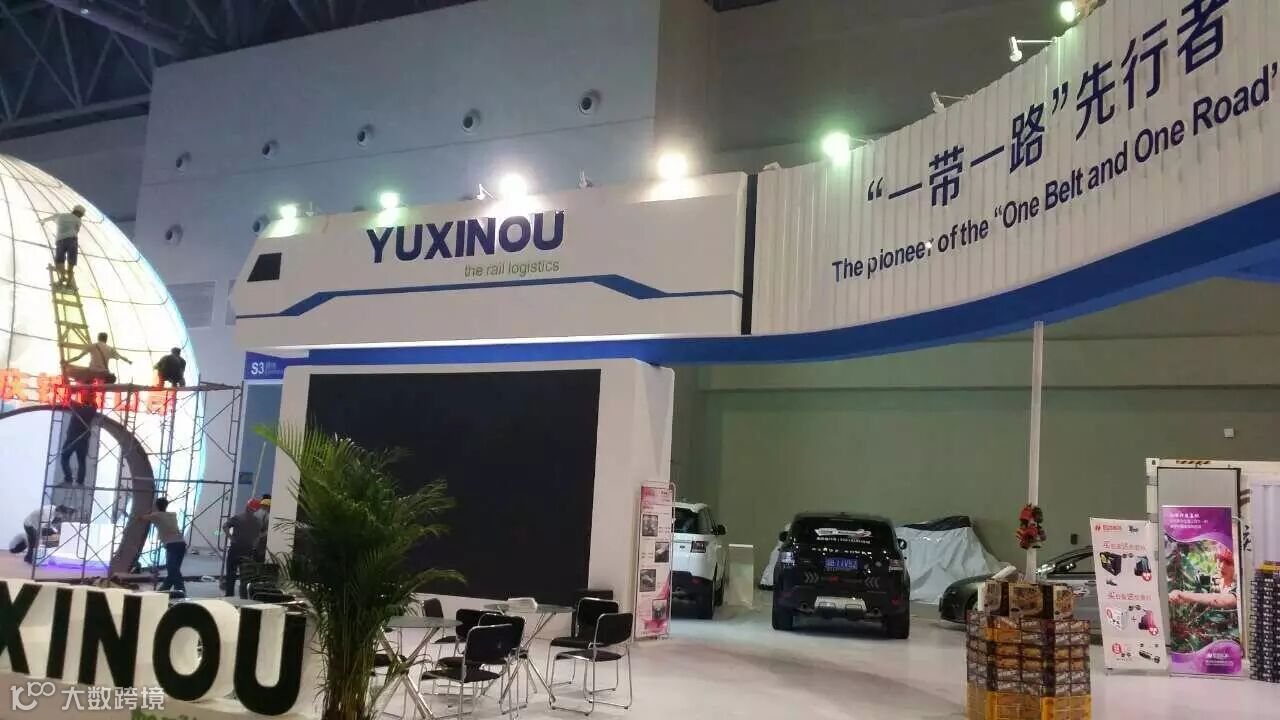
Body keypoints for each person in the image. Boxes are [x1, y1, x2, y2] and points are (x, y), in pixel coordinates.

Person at [144, 498, 186, 596]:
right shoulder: (173, 515)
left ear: (156, 506)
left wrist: (149, 510)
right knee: (173, 570)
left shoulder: (156, 515)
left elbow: (141, 518)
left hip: (172, 544)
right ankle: (163, 591)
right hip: (181, 543)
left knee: (172, 569)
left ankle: (180, 590)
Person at [223, 499, 264, 597]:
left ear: (247, 507)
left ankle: (229, 596)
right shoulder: (257, 522)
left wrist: (231, 538)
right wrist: (254, 544)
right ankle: (243, 598)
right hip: (247, 551)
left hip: (235, 549)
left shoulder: (238, 518)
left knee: (231, 575)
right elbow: (258, 535)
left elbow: (225, 526)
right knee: (245, 577)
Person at [59, 390, 97, 486]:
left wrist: (70, 389)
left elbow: (68, 399)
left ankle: (68, 479)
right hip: (83, 440)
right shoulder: (93, 409)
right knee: (81, 461)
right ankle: (80, 482)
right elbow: (94, 403)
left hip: (72, 438)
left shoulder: (78, 407)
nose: (82, 397)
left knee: (64, 457)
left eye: (84, 395)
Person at [41, 204, 85, 285]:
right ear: (80, 214)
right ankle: (69, 283)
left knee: (59, 261)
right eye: (81, 215)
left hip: (61, 240)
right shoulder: (78, 220)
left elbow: (49, 218)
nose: (81, 217)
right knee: (71, 263)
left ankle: (63, 277)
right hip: (73, 240)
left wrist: (42, 221)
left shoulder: (61, 216)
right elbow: (77, 230)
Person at [65, 332, 131, 383]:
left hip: (92, 372)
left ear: (98, 338)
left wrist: (67, 361)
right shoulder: (110, 349)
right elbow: (121, 357)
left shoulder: (92, 346)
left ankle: (86, 384)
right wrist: (128, 361)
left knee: (71, 371)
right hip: (104, 374)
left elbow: (78, 357)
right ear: (106, 339)